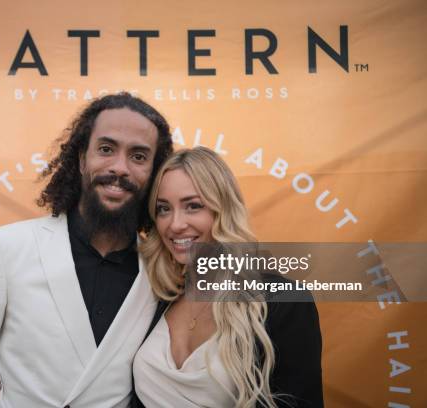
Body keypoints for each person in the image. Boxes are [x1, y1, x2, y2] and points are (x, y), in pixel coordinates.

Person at [0, 92, 173, 407]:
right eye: (106, 149)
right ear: (82, 158)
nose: (120, 167)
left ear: (154, 172)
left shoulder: (165, 267)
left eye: (139, 156)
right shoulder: (5, 249)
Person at [133, 147, 323, 407]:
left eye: (193, 206)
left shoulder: (283, 301)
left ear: (223, 209)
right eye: (164, 209)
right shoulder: (155, 296)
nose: (175, 224)